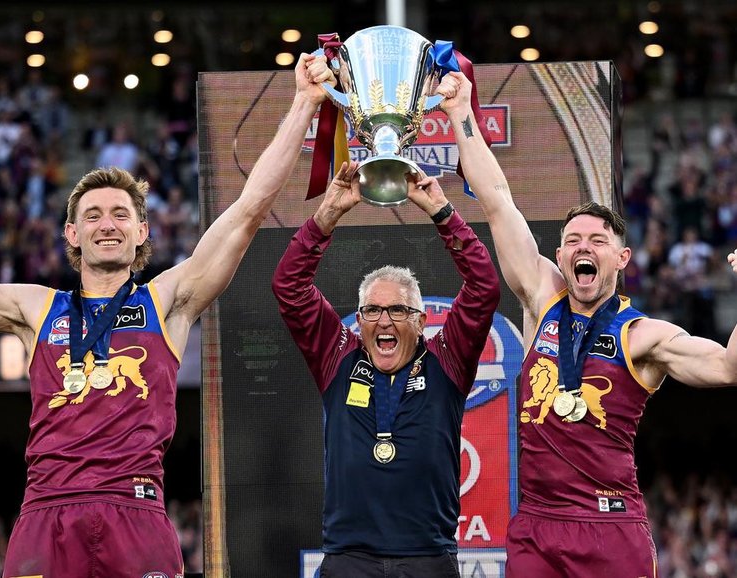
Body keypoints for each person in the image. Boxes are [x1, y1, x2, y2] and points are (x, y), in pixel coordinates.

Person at [0, 52, 332, 578]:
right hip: (47, 512)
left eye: (121, 214)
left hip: (136, 510)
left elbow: (248, 210)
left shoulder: (166, 300)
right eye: (92, 216)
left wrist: (303, 102)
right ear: (72, 233)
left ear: (142, 230)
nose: (107, 225)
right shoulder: (37, 308)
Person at [439, 70, 737, 577]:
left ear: (621, 258)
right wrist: (462, 112)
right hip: (537, 525)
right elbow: (497, 199)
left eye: (598, 241)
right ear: (559, 255)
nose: (584, 247)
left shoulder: (643, 335)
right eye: (573, 240)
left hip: (610, 526)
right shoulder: (542, 299)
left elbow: (729, 367)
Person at [271, 117, 501, 577]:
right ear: (359, 320)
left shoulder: (447, 360)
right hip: (348, 559)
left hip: (428, 558)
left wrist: (443, 213)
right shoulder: (338, 356)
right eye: (372, 311)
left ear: (420, 320)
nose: (384, 320)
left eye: (397, 310)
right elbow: (289, 287)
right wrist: (326, 216)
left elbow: (483, 288)